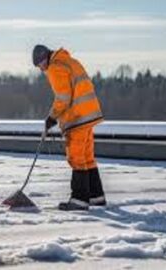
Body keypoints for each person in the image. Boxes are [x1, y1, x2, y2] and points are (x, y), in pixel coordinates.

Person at [32, 44, 106, 211]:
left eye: (41, 65)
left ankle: (79, 200)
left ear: (45, 59)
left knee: (76, 158)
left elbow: (63, 97)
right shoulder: (70, 61)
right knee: (87, 158)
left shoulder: (55, 68)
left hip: (77, 118)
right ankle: (96, 197)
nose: (42, 70)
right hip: (89, 115)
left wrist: (52, 117)